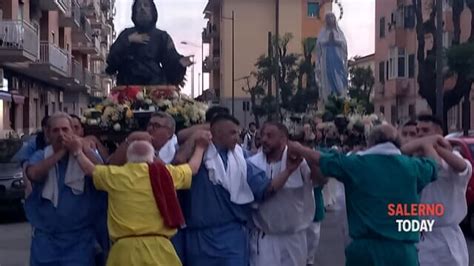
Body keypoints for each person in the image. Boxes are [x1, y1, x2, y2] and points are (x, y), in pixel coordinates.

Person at [287, 124, 441, 266]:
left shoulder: (356, 164)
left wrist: (300, 149)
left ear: (371, 142)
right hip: (402, 252)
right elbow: (435, 164)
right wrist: (425, 144)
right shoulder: (412, 167)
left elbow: (322, 159)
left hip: (365, 252)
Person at [173, 114, 302, 266]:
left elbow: (266, 188)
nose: (238, 138)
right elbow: (178, 163)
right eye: (233, 133)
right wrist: (196, 138)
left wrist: (288, 171)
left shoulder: (241, 159)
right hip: (199, 239)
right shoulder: (196, 156)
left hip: (231, 237)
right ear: (217, 134)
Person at [71, 130, 211, 266]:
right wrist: (200, 147)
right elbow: (192, 168)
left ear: (128, 157)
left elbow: (90, 170)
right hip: (160, 249)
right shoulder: (166, 174)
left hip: (124, 250)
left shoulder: (115, 175)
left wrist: (77, 151)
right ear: (152, 158)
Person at [24, 112, 107, 266]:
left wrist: (80, 151)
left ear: (73, 132)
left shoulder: (84, 156)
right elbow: (34, 174)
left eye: (65, 129)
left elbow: (102, 174)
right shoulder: (41, 155)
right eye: (55, 130)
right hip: (46, 242)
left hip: (79, 241)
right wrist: (60, 152)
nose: (61, 134)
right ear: (48, 134)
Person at [405, 114, 472, 266]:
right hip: (417, 235)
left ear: (438, 133)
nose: (420, 134)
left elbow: (463, 167)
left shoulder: (451, 157)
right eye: (418, 131)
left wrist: (433, 146)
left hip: (444, 240)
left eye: (425, 130)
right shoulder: (413, 159)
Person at [248, 122, 317, 266]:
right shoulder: (252, 164)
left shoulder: (301, 162)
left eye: (270, 136)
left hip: (294, 238)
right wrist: (288, 171)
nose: (264, 140)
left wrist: (305, 153)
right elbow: (264, 191)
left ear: (283, 139)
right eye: (262, 136)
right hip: (265, 238)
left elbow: (321, 180)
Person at [105, 0, 193, 86]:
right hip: (127, 90)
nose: (142, 8)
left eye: (146, 5)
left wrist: (180, 63)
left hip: (155, 90)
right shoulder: (126, 35)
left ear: (152, 11)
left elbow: (170, 60)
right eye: (139, 6)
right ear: (134, 12)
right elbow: (112, 62)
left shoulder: (161, 36)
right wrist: (128, 41)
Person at [315, 12, 348, 102]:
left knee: (339, 79)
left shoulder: (339, 33)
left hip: (337, 59)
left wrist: (335, 41)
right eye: (328, 18)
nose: (330, 20)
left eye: (332, 18)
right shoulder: (323, 33)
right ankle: (328, 98)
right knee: (327, 80)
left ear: (334, 20)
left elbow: (344, 44)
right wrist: (327, 41)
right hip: (326, 60)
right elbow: (318, 45)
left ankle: (340, 98)